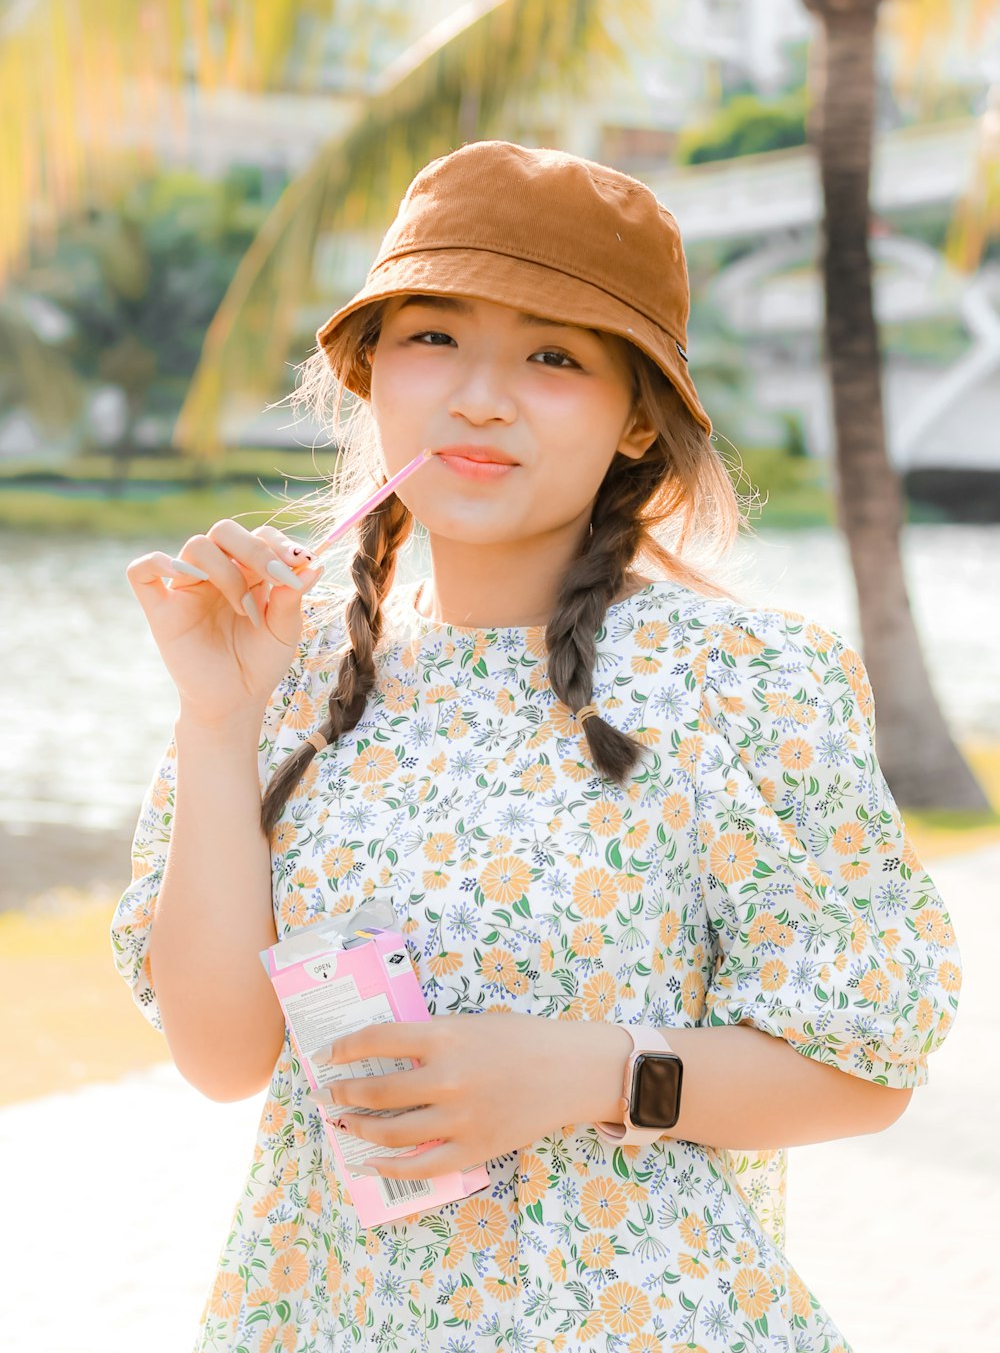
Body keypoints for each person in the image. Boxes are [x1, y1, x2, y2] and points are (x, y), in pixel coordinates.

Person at [113, 140, 962, 1353]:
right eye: (433, 336)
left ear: (634, 420)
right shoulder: (281, 672)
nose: (478, 395)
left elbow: (864, 1068)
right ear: (372, 377)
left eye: (553, 356)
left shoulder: (749, 682)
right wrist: (215, 716)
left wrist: (587, 1072)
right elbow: (221, 1054)